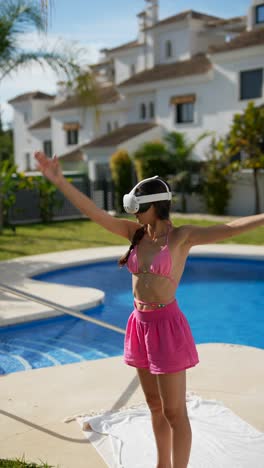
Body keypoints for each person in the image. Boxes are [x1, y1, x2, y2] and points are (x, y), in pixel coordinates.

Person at [34, 151, 263, 468]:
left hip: (166, 327)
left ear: (153, 206)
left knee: (174, 411)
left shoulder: (182, 237)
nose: (134, 214)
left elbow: (232, 227)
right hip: (139, 325)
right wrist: (59, 181)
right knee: (154, 405)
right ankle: (162, 465)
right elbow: (95, 214)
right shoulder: (135, 233)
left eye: (138, 208)